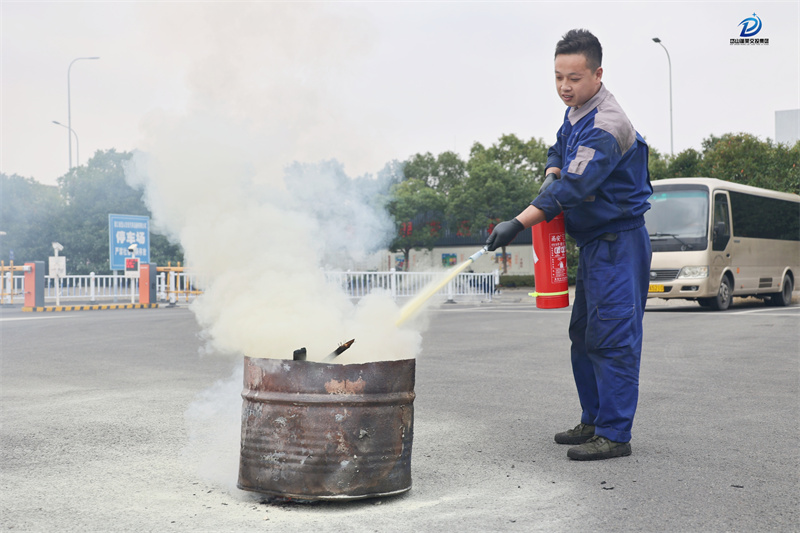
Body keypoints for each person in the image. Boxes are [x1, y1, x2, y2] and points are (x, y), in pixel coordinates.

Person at [486, 28, 652, 461]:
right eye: (558, 77)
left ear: (597, 74)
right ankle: (593, 420)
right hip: (597, 245)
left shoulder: (605, 125)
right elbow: (558, 148)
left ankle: (615, 434)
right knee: (584, 335)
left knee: (613, 338)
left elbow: (573, 188)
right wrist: (550, 168)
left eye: (574, 78)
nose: (564, 87)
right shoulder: (577, 111)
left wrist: (516, 223)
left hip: (619, 243)